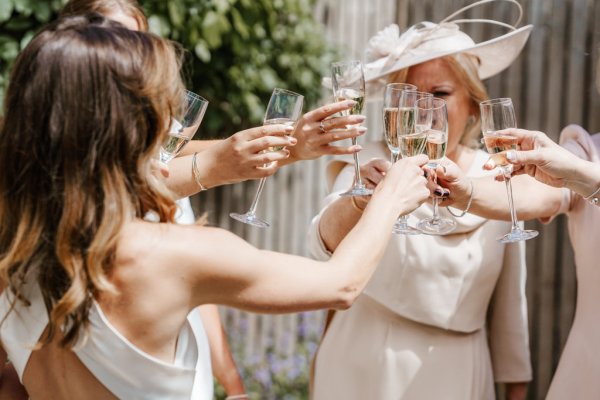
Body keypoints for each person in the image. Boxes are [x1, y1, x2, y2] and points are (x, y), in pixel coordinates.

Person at [0, 15, 431, 399]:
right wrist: (391, 196)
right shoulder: (170, 254)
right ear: (131, 124)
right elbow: (340, 284)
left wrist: (286, 148)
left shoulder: (13, 250)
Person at [308, 2, 534, 399]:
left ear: (471, 103)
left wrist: (515, 388)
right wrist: (361, 202)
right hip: (363, 364)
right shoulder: (370, 161)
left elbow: (509, 307)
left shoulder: (496, 175)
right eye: (410, 95)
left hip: (462, 370)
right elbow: (320, 246)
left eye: (440, 94)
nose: (422, 109)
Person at [437, 126, 600, 399]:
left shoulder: (584, 165)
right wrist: (467, 191)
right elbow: (536, 187)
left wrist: (583, 176)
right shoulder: (589, 151)